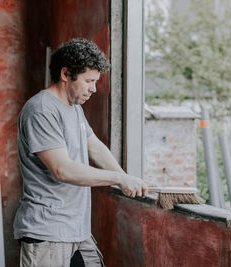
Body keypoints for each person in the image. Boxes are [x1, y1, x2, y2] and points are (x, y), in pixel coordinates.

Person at [13, 38, 148, 267]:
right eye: (89, 81)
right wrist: (119, 178)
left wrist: (126, 179)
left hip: (77, 230)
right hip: (48, 232)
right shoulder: (41, 110)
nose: (94, 89)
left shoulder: (74, 108)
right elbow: (62, 169)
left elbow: (94, 147)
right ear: (66, 74)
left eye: (95, 81)